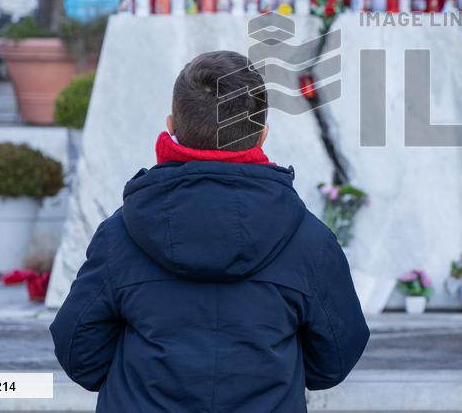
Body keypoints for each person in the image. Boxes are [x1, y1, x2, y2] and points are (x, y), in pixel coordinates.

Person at [50, 51, 369, 412]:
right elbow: (335, 357)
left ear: (171, 126)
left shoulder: (120, 236)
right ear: (262, 135)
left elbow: (78, 352)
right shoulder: (310, 241)